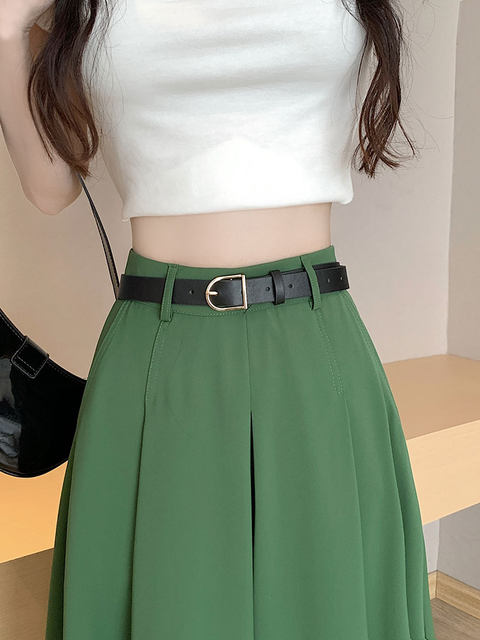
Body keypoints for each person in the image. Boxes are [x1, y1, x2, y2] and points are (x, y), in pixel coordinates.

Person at [1, 1, 438, 639]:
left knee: (326, 609)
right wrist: (7, 27)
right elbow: (50, 189)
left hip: (312, 337)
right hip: (158, 349)